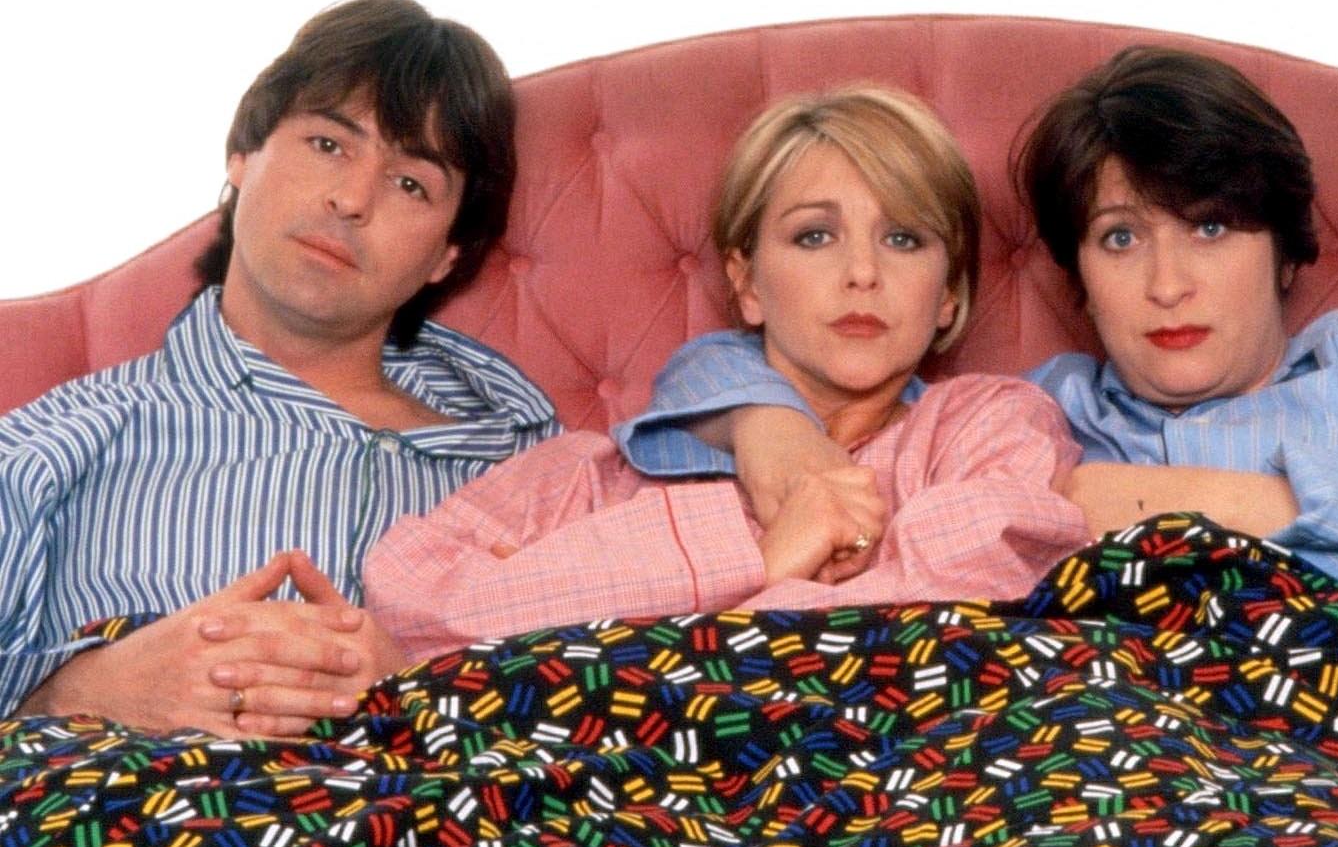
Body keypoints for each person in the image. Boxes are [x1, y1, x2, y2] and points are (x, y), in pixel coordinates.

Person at [632, 50, 1338, 631]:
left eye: (1210, 228)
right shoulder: (1037, 413)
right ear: (1078, 275)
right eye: (1120, 239)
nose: (1167, 284)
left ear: (1287, 248)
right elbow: (812, 382)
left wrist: (1157, 503)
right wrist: (766, 429)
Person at [362, 87, 1087, 664]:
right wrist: (761, 559)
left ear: (949, 293)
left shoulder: (983, 426)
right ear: (747, 282)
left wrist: (571, 600)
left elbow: (956, 620)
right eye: (815, 236)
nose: (863, 273)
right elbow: (412, 601)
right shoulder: (582, 473)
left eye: (904, 238)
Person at [0, 0, 558, 734]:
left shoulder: (539, 469)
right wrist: (75, 693)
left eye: (411, 184)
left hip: (436, 794)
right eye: (328, 144)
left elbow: (611, 706)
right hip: (119, 794)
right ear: (244, 154)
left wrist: (425, 693)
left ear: (447, 255)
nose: (351, 199)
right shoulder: (54, 446)